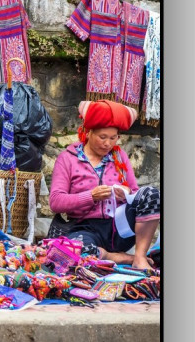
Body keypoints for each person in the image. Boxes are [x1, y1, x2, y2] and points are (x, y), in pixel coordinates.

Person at [49, 100, 160, 271]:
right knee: (74, 251)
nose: (108, 143)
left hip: (120, 228)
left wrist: (126, 194)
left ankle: (139, 257)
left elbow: (136, 193)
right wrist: (91, 196)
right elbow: (56, 202)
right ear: (88, 132)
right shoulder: (68, 159)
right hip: (84, 228)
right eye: (103, 137)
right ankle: (116, 257)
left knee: (151, 194)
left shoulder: (119, 156)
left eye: (113, 138)